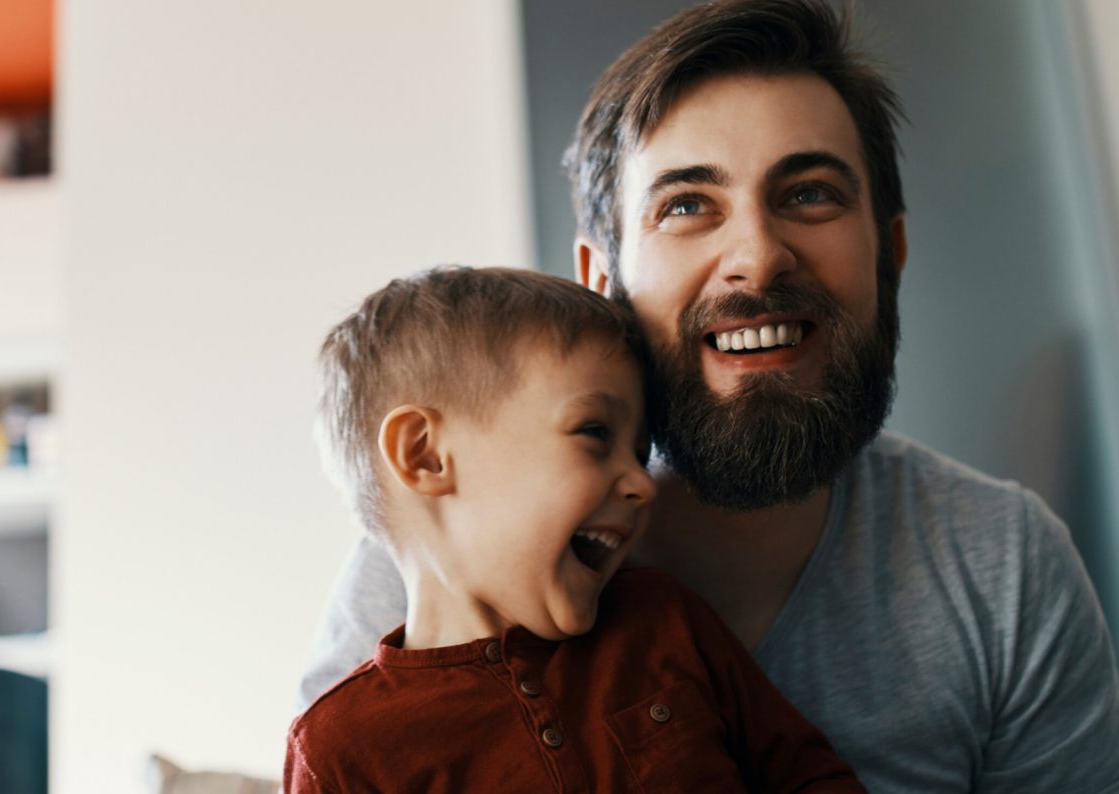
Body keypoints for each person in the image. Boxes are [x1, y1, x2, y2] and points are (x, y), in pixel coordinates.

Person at [298, 2, 1119, 792]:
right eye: (688, 205)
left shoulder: (1003, 567)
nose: (758, 256)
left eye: (809, 193)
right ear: (601, 280)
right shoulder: (418, 576)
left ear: (889, 254)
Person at [286, 266, 863, 792]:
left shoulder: (665, 623)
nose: (641, 482)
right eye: (594, 433)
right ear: (427, 456)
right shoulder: (341, 748)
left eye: (640, 452)